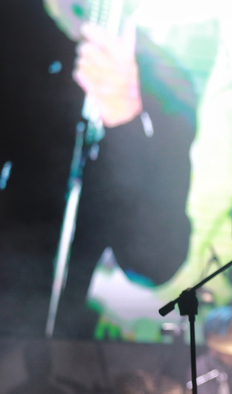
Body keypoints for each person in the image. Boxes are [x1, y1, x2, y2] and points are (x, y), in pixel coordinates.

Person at [0, 0, 196, 339]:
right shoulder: (14, 24)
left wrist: (124, 118)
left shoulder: (164, 83)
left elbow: (154, 261)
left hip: (46, 348)